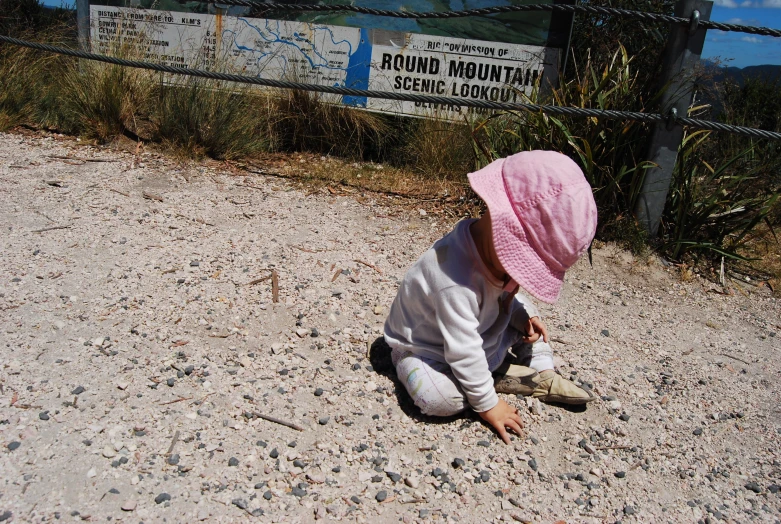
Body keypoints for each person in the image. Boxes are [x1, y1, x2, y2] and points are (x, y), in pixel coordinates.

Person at [383, 150, 598, 444]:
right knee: (437, 400)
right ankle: (493, 380)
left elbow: (504, 298)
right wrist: (489, 404)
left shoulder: (491, 253)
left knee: (529, 323)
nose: (518, 277)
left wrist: (525, 317)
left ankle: (536, 369)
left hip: (475, 329)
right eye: (521, 265)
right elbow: (463, 349)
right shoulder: (453, 280)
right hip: (426, 348)